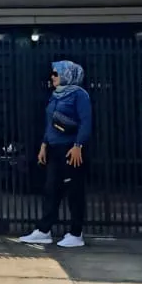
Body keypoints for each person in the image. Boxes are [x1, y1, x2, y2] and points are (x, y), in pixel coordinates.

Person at [17, 59, 92, 248]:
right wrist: (44, 144)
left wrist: (78, 145)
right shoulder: (56, 95)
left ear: (67, 75)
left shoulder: (79, 95)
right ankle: (44, 230)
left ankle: (76, 233)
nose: (52, 77)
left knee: (74, 191)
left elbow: (86, 122)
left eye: (56, 73)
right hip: (54, 147)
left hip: (70, 148)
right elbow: (50, 122)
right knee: (51, 189)